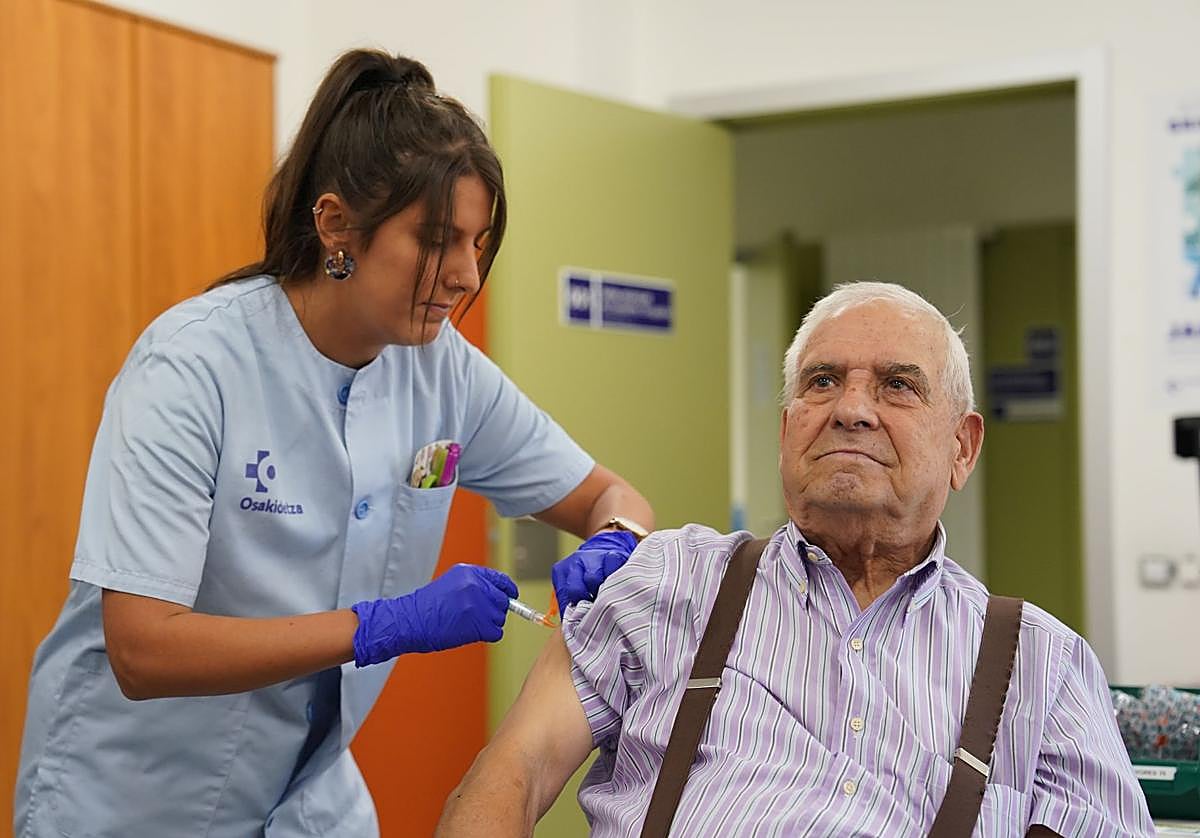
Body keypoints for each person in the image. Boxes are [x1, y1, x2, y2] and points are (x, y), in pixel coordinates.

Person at [13, 49, 652, 838]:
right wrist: (382, 625)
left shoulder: (444, 372)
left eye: (478, 244)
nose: (463, 274)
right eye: (437, 239)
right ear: (335, 225)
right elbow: (143, 650)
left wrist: (619, 540)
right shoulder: (194, 365)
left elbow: (607, 496)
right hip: (134, 799)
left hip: (309, 798)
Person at [436, 282, 1154, 837]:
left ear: (962, 447)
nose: (851, 409)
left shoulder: (1043, 664)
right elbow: (514, 773)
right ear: (786, 433)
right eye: (822, 381)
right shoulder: (668, 583)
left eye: (897, 385)